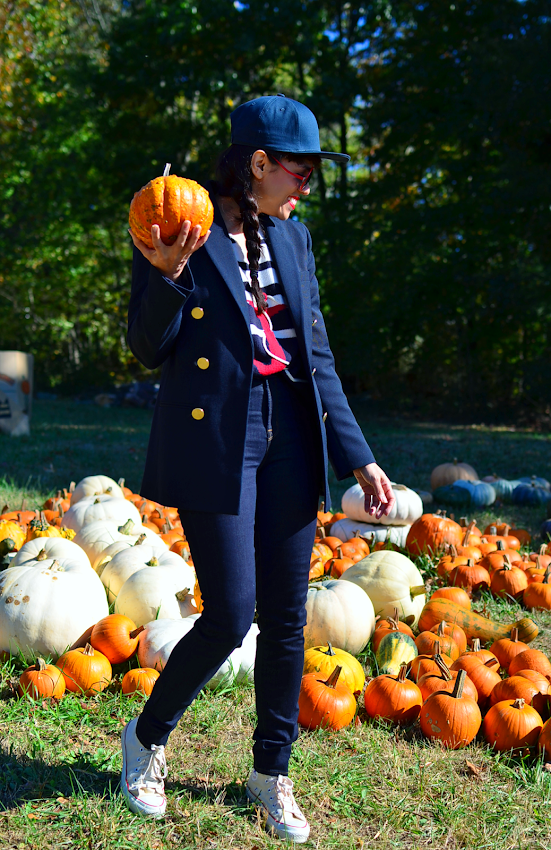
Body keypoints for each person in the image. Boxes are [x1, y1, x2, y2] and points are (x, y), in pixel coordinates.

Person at [122, 94, 395, 842]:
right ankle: (146, 740)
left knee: (284, 620)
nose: (308, 183)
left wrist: (359, 455)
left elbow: (318, 358)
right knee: (230, 613)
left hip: (292, 438)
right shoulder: (180, 223)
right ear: (259, 163)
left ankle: (271, 771)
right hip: (218, 440)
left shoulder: (295, 239)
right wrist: (169, 272)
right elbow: (146, 346)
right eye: (301, 169)